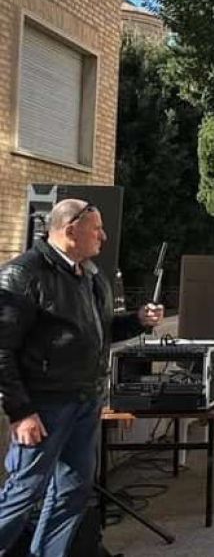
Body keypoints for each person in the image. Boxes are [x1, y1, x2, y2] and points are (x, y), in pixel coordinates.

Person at [0, 200, 164, 556]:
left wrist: (138, 320)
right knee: (23, 492)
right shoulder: (23, 275)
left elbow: (100, 331)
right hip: (43, 407)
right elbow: (2, 350)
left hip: (85, 401)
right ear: (70, 229)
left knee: (73, 491)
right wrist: (20, 411)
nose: (104, 236)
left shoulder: (91, 276)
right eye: (97, 228)